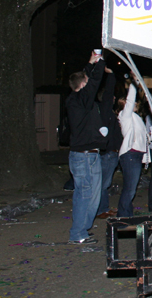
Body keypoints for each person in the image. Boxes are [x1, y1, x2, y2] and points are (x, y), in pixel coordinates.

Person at [65, 50, 108, 245]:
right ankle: (78, 233)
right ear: (82, 85)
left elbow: (88, 80)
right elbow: (94, 82)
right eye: (86, 81)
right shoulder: (77, 100)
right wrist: (100, 62)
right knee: (84, 194)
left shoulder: (80, 101)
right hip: (82, 156)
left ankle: (83, 229)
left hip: (92, 154)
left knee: (94, 195)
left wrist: (89, 64)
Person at [117, 82, 150, 218]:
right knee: (130, 189)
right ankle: (123, 216)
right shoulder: (125, 116)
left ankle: (127, 215)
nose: (135, 103)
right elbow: (130, 100)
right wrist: (133, 84)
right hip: (130, 154)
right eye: (131, 102)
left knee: (131, 188)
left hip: (136, 155)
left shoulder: (136, 118)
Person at [97, 69, 121, 219]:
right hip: (107, 153)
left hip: (111, 151)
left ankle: (103, 208)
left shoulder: (108, 113)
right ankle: (100, 209)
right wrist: (111, 75)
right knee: (103, 183)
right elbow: (108, 94)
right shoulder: (105, 110)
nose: (113, 98)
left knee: (105, 183)